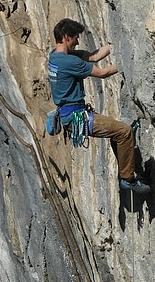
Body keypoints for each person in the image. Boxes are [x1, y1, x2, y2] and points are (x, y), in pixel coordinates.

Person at [48, 18, 149, 195]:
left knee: (117, 133)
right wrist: (128, 61)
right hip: (77, 117)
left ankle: (125, 167)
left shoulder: (55, 57)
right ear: (66, 37)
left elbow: (94, 56)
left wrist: (113, 45)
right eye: (75, 38)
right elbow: (102, 73)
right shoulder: (69, 62)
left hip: (69, 115)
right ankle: (128, 179)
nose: (78, 41)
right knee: (124, 132)